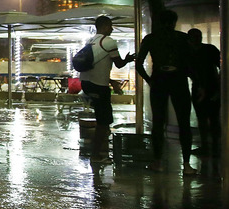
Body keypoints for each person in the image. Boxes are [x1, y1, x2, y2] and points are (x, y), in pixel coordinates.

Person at [136, 10, 195, 174]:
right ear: (175, 22)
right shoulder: (183, 38)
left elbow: (139, 64)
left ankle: (158, 162)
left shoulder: (151, 38)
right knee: (184, 122)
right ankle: (187, 165)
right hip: (179, 80)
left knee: (158, 122)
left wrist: (150, 80)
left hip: (159, 81)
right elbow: (191, 63)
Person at [80, 15, 135, 164]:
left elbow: (95, 66)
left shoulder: (90, 41)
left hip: (86, 83)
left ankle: (98, 151)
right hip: (99, 86)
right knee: (104, 121)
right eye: (110, 26)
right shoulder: (109, 42)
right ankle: (96, 155)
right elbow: (119, 64)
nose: (112, 29)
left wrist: (111, 81)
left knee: (102, 119)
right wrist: (128, 59)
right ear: (104, 26)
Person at [187, 28, 220, 157]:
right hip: (210, 87)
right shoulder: (209, 50)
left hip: (203, 87)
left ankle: (207, 146)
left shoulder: (189, 53)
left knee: (205, 118)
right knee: (212, 118)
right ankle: (213, 146)